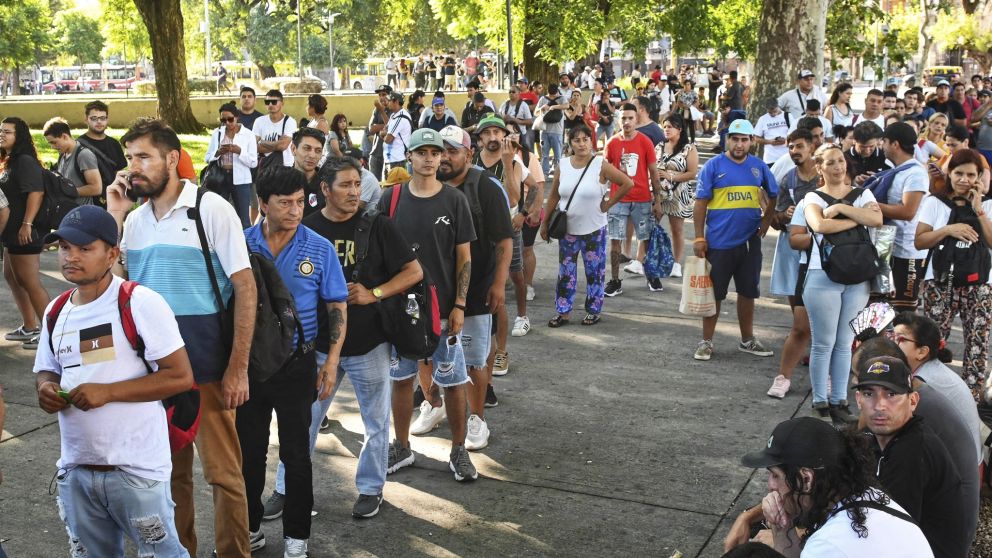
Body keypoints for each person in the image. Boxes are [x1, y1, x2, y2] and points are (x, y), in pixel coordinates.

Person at [106, 118, 257, 558]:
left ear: (172, 159)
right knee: (167, 478)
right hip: (155, 375)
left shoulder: (210, 209)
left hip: (208, 368)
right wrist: (115, 215)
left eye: (143, 157)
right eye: (129, 158)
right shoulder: (133, 222)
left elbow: (245, 288)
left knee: (224, 476)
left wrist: (238, 368)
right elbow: (118, 287)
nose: (133, 168)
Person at [35, 205, 194, 558]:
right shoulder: (56, 310)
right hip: (76, 470)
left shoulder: (139, 302)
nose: (70, 257)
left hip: (136, 473)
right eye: (64, 248)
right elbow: (47, 370)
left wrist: (107, 393)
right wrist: (46, 389)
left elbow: (181, 376)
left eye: (84, 248)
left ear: (112, 254)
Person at [239, 165, 347, 558]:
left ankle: (297, 537)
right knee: (248, 453)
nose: (295, 210)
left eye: (300, 202)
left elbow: (336, 305)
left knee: (297, 456)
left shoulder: (318, 248)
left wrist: (330, 361)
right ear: (262, 203)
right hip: (250, 368)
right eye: (285, 203)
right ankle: (248, 528)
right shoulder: (240, 244)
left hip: (298, 366)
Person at [377, 128, 478, 482]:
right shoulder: (390, 200)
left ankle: (458, 449)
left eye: (436, 152)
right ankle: (401, 446)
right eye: (422, 152)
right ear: (410, 156)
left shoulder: (454, 201)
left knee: (452, 381)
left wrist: (460, 305)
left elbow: (464, 256)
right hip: (400, 312)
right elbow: (377, 251)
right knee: (401, 379)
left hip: (444, 311)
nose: (430, 158)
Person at [729, 416, 933, 557]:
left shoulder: (829, 545)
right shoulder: (866, 495)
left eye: (775, 475)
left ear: (806, 479)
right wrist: (782, 527)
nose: (770, 485)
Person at [791, 143, 882, 420]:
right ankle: (820, 400)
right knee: (823, 342)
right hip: (823, 275)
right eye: (830, 162)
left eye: (841, 161)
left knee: (845, 342)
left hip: (857, 276)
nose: (838, 167)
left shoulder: (862, 192)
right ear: (820, 168)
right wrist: (857, 219)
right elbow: (820, 226)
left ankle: (839, 400)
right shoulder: (811, 198)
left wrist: (843, 208)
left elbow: (877, 218)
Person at [435, 125, 512, 450]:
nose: (445, 158)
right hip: (437, 291)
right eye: (441, 151)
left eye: (453, 151)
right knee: (435, 357)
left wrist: (498, 283)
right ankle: (435, 405)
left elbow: (505, 241)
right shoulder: (429, 185)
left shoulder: (485, 187)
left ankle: (477, 418)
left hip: (478, 289)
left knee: (475, 359)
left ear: (469, 153)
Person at [853, 356, 973, 557]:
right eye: (869, 394)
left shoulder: (913, 451)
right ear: (858, 400)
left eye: (891, 394)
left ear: (913, 401)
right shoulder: (879, 436)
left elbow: (886, 533)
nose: (879, 405)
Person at [692, 119, 778, 361]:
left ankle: (747, 340)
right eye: (735, 139)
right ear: (728, 139)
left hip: (750, 243)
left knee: (748, 292)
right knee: (714, 294)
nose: (739, 144)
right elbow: (700, 204)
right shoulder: (712, 166)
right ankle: (706, 341)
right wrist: (699, 237)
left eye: (744, 140)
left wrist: (766, 221)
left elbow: (773, 195)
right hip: (718, 243)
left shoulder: (759, 167)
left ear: (752, 141)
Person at [914, 148, 992, 399]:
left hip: (980, 283)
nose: (964, 180)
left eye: (971, 174)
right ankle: (928, 391)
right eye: (958, 173)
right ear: (949, 174)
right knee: (933, 340)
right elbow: (920, 240)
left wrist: (978, 209)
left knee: (978, 344)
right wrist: (949, 229)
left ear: (980, 176)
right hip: (939, 282)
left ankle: (971, 398)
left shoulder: (988, 205)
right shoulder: (934, 202)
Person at [541, 124, 632, 326]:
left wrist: (608, 204)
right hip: (567, 231)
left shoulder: (600, 164)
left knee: (595, 272)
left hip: (594, 230)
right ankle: (563, 311)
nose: (581, 144)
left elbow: (627, 183)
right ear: (570, 143)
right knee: (566, 273)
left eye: (585, 139)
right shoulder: (562, 165)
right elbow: (554, 194)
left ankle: (593, 310)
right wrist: (545, 222)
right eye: (576, 140)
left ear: (592, 141)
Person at [765, 129, 819, 399]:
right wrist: (785, 216)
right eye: (790, 147)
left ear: (812, 146)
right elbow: (776, 219)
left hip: (826, 259)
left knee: (827, 328)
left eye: (799, 146)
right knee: (800, 324)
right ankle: (783, 377)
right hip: (798, 255)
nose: (794, 151)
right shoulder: (787, 179)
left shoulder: (825, 177)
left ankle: (827, 381)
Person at [469, 117, 523, 374]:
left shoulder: (512, 160)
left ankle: (501, 351)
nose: (493, 137)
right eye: (487, 132)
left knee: (499, 297)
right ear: (479, 139)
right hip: (473, 238)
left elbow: (514, 198)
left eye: (497, 132)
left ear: (504, 136)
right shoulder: (469, 161)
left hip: (502, 235)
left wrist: (506, 163)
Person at [0, 117, 50, 351]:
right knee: (12, 277)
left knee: (30, 282)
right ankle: (30, 326)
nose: (2, 135)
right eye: (0, 131)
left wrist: (27, 224)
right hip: (12, 232)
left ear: (18, 135)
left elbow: (36, 193)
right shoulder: (9, 160)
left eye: (7, 132)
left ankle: (51, 333)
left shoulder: (25, 161)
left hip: (25, 231)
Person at [603, 104, 663, 294]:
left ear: (636, 120)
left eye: (630, 118)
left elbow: (653, 172)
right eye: (623, 118)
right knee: (615, 240)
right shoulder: (611, 143)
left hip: (642, 199)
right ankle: (614, 280)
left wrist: (658, 200)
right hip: (617, 199)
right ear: (618, 120)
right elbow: (603, 173)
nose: (627, 122)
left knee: (645, 238)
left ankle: (651, 275)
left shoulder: (645, 142)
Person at [880, 123, 931, 313]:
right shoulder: (899, 169)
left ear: (894, 144)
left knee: (903, 311)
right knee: (882, 306)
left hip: (908, 252)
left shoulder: (915, 173)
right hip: (888, 246)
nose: (882, 146)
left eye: (884, 141)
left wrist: (872, 206)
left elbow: (908, 212)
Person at [656, 113, 697, 278]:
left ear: (679, 129)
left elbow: (692, 173)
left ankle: (676, 263)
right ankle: (645, 259)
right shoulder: (659, 146)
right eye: (664, 126)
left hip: (679, 195)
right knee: (650, 227)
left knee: (677, 230)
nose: (666, 130)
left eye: (670, 127)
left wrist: (670, 176)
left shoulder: (689, 148)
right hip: (659, 194)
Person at [204, 102, 259, 229]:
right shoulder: (217, 133)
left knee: (243, 218)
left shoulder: (248, 134)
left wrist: (239, 151)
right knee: (219, 215)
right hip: (221, 177)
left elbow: (253, 162)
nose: (227, 123)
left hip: (241, 179)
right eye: (223, 120)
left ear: (237, 117)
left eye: (230, 119)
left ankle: (246, 246)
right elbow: (207, 158)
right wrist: (218, 152)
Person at [77, 100, 128, 208]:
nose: (99, 122)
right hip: (88, 203)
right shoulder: (79, 145)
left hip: (112, 199)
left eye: (103, 118)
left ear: (107, 119)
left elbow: (120, 172)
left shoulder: (114, 144)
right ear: (86, 120)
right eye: (94, 118)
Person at [42, 118, 103, 205]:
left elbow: (97, 188)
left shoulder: (84, 155)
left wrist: (72, 191)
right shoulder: (62, 155)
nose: (52, 147)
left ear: (65, 136)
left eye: (54, 142)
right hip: (66, 211)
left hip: (82, 212)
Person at [252, 89, 298, 168]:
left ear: (282, 103)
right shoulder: (259, 121)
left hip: (285, 166)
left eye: (274, 102)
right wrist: (277, 144)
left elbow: (283, 146)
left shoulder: (290, 122)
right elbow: (253, 146)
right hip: (264, 166)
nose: (270, 105)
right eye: (267, 102)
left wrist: (262, 142)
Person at [536, 85, 569, 176]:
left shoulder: (562, 98)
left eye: (553, 95)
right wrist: (542, 107)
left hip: (557, 131)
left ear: (557, 92)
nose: (552, 97)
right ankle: (544, 174)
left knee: (558, 155)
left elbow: (567, 105)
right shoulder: (543, 99)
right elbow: (536, 112)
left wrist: (554, 107)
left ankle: (558, 174)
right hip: (544, 130)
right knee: (545, 155)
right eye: (551, 95)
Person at [382, 91, 412, 178]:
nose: (388, 103)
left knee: (395, 188)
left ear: (396, 102)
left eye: (390, 100)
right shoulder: (393, 116)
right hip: (391, 159)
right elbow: (385, 130)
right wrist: (385, 133)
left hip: (397, 160)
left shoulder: (400, 118)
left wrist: (384, 134)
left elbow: (388, 139)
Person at [366, 84, 393, 180]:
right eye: (380, 95)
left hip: (389, 154)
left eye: (384, 94)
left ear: (390, 95)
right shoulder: (376, 109)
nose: (381, 97)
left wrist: (382, 113)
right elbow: (371, 129)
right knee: (373, 182)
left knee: (388, 184)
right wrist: (385, 126)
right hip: (376, 152)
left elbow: (392, 128)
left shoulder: (394, 109)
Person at [754, 99, 791, 165]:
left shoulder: (788, 116)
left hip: (787, 156)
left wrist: (786, 140)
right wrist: (770, 142)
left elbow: (796, 133)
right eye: (770, 112)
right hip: (770, 159)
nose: (773, 114)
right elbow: (756, 138)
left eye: (775, 111)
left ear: (778, 106)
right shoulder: (763, 119)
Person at [500, 85, 534, 151]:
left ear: (519, 93)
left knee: (520, 154)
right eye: (509, 92)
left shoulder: (524, 105)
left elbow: (530, 121)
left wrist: (516, 120)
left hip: (520, 135)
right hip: (506, 134)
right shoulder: (504, 104)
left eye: (513, 92)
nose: (511, 93)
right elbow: (498, 117)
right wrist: (503, 118)